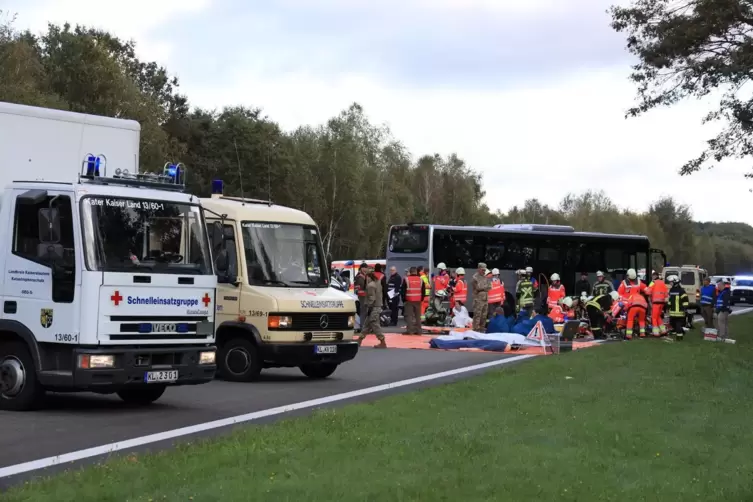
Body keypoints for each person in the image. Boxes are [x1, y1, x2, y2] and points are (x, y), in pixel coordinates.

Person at [357, 269, 387, 348]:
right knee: (367, 324)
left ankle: (382, 341)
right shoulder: (378, 284)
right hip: (377, 306)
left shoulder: (370, 285)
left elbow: (372, 298)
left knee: (374, 325)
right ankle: (360, 339)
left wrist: (369, 307)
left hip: (373, 307)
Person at [401, 267, 424, 335]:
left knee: (409, 316)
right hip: (418, 300)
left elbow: (403, 291)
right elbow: (423, 291)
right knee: (418, 317)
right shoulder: (421, 279)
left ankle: (410, 331)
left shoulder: (406, 279)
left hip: (409, 300)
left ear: (410, 272)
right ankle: (418, 331)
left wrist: (404, 299)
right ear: (416, 272)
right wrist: (421, 298)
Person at [646, 271, 668, 336]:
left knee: (654, 317)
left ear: (654, 276)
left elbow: (648, 292)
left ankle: (656, 332)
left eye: (652, 276)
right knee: (658, 316)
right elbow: (666, 294)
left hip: (655, 302)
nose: (652, 277)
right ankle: (663, 330)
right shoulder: (662, 283)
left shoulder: (653, 282)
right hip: (662, 302)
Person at [667, 275, 689, 339]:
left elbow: (685, 301)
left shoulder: (681, 291)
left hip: (679, 311)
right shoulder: (671, 290)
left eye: (671, 282)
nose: (670, 283)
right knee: (672, 324)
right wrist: (668, 306)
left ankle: (679, 337)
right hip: (672, 311)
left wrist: (684, 308)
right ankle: (681, 332)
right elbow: (670, 300)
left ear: (675, 282)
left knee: (678, 324)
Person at [471, 262, 491, 331]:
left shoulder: (485, 277)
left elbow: (490, 287)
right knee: (477, 315)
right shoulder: (475, 277)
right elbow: (478, 287)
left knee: (484, 315)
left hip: (485, 299)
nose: (484, 271)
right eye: (482, 270)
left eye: (485, 270)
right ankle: (476, 329)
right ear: (478, 269)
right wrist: (484, 287)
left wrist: (483, 287)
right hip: (478, 299)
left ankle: (482, 328)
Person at [353, 263, 368, 331]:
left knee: (364, 311)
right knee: (363, 311)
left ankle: (363, 325)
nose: (366, 269)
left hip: (364, 296)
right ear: (362, 268)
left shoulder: (363, 276)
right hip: (362, 296)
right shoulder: (360, 276)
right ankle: (362, 326)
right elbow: (360, 287)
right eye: (365, 268)